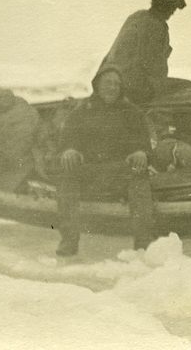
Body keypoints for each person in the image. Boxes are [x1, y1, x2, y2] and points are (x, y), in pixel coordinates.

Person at [54, 66, 155, 256]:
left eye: (117, 84)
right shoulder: (82, 111)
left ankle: (143, 243)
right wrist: (70, 150)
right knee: (67, 174)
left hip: (119, 171)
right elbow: (66, 143)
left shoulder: (132, 112)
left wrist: (141, 153)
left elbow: (145, 146)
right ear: (97, 85)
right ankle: (69, 240)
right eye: (108, 82)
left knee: (140, 177)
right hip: (89, 172)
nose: (113, 87)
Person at [98, 0, 187, 106]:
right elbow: (153, 66)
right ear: (164, 6)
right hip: (131, 87)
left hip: (108, 81)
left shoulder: (137, 16)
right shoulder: (157, 25)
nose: (173, 12)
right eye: (172, 7)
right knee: (188, 87)